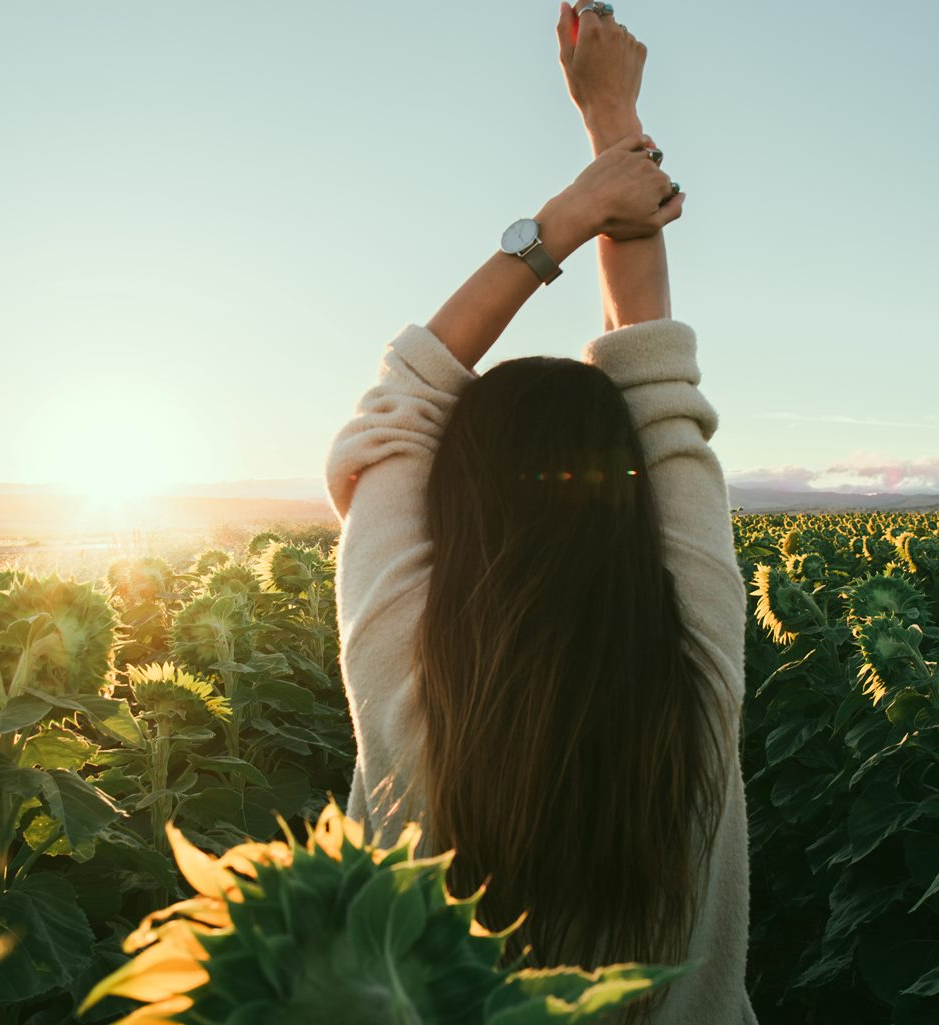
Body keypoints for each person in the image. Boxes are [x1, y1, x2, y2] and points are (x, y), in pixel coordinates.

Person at [323, 3, 757, 1023]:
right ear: (633, 492)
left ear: (450, 499)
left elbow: (404, 392)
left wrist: (564, 214)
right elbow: (652, 365)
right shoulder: (697, 654)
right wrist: (613, 115)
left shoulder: (399, 669)